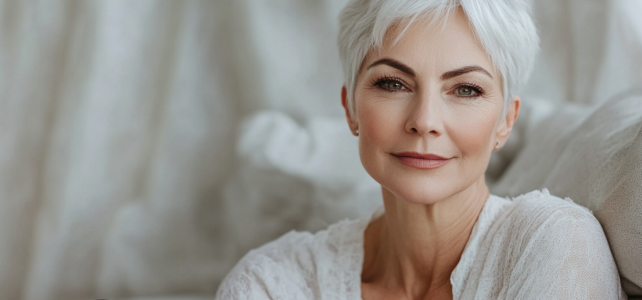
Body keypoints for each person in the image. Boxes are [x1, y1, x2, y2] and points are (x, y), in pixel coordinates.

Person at [216, 0, 626, 299]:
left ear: (506, 121)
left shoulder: (556, 244)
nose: (425, 119)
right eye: (393, 83)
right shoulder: (268, 285)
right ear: (350, 108)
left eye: (466, 89)